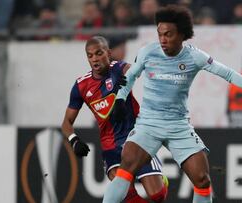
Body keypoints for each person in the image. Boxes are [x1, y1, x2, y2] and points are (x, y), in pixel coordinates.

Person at [103, 5, 242, 203]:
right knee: (126, 168)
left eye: (168, 34)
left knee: (202, 180)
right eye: (160, 34)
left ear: (181, 34)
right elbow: (130, 77)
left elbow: (227, 73)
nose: (162, 40)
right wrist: (119, 100)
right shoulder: (147, 52)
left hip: (179, 126)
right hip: (148, 124)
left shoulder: (195, 57)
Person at [61, 36, 168, 203]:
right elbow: (67, 122)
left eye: (98, 53)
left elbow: (134, 70)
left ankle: (163, 181)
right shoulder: (81, 86)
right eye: (90, 56)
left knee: (158, 195)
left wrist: (128, 81)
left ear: (108, 53)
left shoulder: (118, 69)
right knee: (127, 196)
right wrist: (73, 140)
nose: (95, 59)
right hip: (111, 146)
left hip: (137, 138)